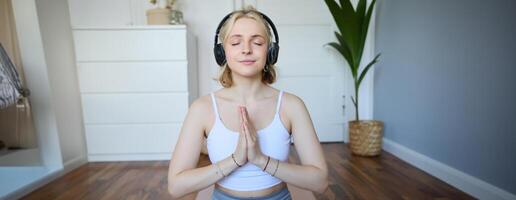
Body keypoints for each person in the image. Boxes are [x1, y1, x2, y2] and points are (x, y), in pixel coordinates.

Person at [168, 6, 328, 200]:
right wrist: (235, 160)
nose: (246, 49)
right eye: (236, 42)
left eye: (257, 42)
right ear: (222, 52)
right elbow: (176, 186)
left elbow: (320, 182)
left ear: (270, 51)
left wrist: (261, 160)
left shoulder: (292, 106)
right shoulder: (201, 109)